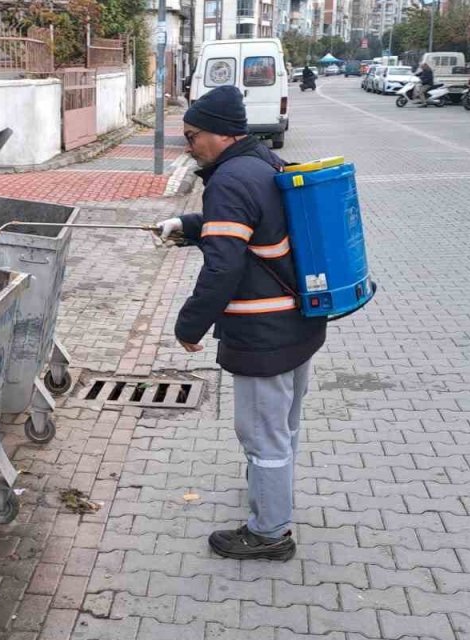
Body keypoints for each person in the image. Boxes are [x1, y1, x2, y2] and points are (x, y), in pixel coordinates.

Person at [155, 86, 327, 561]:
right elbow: (253, 226)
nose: (189, 146)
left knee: (261, 434)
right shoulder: (263, 162)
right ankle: (270, 494)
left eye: (193, 136)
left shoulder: (229, 180)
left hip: (262, 333)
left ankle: (269, 533)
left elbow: (223, 266)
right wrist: (188, 226)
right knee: (283, 426)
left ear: (221, 134)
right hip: (298, 323)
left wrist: (188, 326)